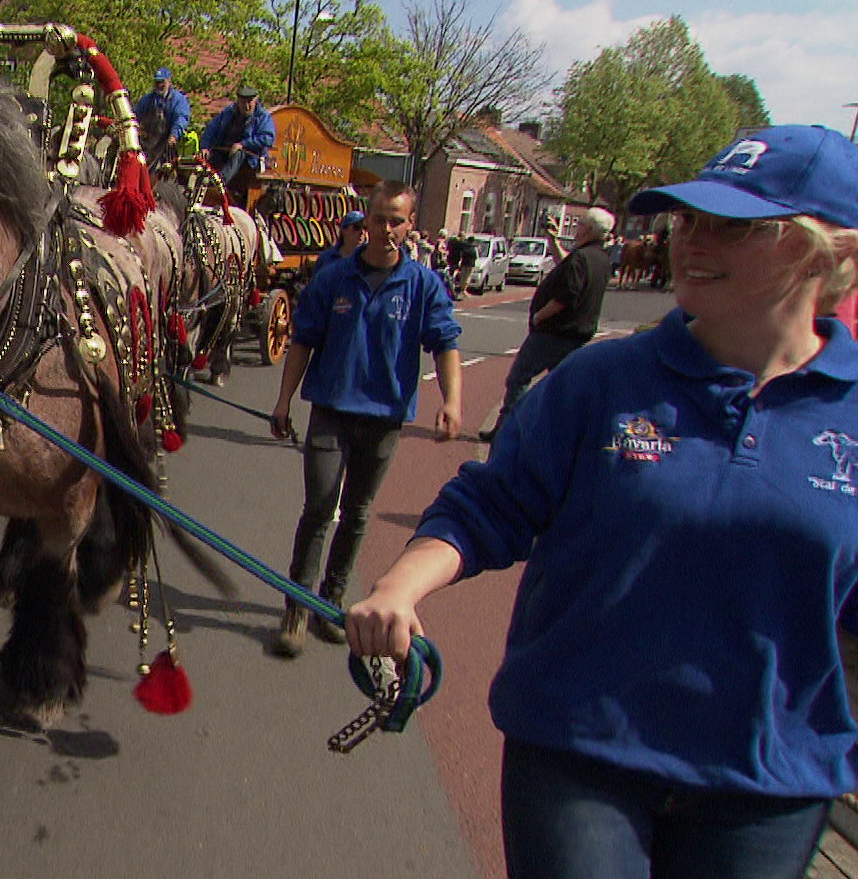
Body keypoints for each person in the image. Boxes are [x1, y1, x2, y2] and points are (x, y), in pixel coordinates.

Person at [345, 125, 858, 879]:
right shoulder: (601, 381)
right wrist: (399, 584)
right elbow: (489, 503)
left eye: (733, 226)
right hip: (578, 755)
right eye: (686, 219)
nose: (691, 241)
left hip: (765, 786)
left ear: (827, 252)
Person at [265, 180, 463, 657]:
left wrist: (453, 401)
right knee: (319, 506)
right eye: (379, 219)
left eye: (397, 220)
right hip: (330, 411)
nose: (387, 229)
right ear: (365, 222)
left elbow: (445, 344)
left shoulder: (423, 286)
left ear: (410, 224)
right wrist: (283, 401)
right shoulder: (333, 278)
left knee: (355, 513)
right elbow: (302, 342)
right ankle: (297, 604)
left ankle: (331, 601)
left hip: (383, 419)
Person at [479, 207, 614, 443]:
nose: (576, 229)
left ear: (590, 230)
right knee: (560, 386)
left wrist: (540, 315)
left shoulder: (582, 258)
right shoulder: (599, 258)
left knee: (519, 378)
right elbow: (565, 262)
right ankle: (553, 435)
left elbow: (567, 295)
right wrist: (552, 237)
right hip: (576, 334)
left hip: (554, 332)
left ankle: (510, 429)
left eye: (580, 224)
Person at [198, 85, 276, 203]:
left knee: (238, 154)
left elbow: (268, 138)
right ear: (238, 101)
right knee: (206, 156)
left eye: (250, 102)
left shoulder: (263, 116)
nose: (246, 106)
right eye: (243, 102)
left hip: (250, 157)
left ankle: (219, 182)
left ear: (256, 100)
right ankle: (198, 183)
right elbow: (211, 130)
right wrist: (205, 147)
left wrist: (243, 144)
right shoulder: (228, 113)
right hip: (224, 151)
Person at [134, 67, 191, 155]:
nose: (159, 85)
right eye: (157, 82)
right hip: (147, 144)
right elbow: (135, 115)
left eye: (162, 82)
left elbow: (181, 119)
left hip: (167, 145)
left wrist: (174, 136)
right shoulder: (148, 99)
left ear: (169, 81)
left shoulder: (178, 100)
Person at [312, 209, 365, 275]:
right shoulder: (327, 258)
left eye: (364, 228)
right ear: (344, 230)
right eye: (357, 227)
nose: (362, 232)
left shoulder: (369, 260)